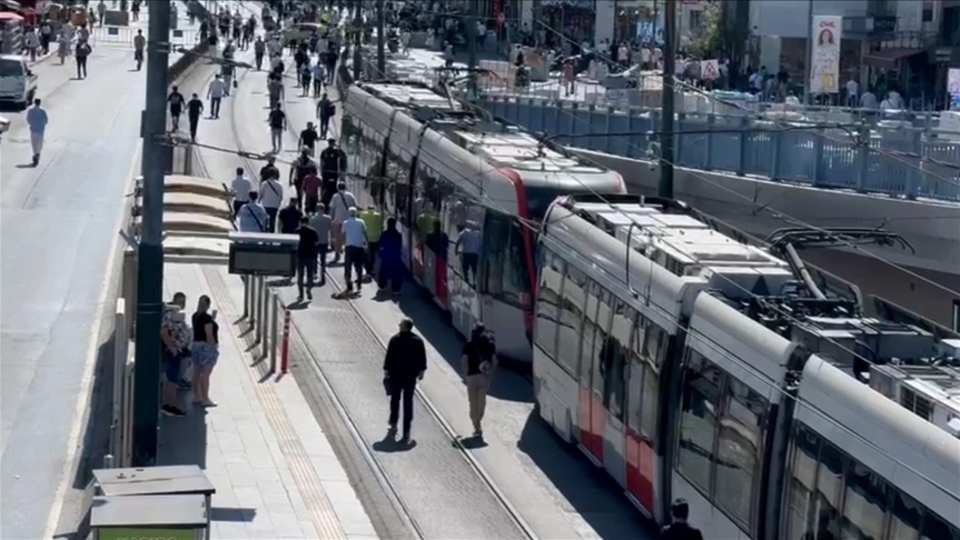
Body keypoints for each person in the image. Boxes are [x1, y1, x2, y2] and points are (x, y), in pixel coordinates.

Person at [382, 318, 427, 443]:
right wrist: (422, 371)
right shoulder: (417, 340)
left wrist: (386, 370)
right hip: (409, 376)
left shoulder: (395, 339)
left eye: (400, 325)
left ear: (406, 327)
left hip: (397, 375)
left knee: (395, 400)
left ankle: (393, 423)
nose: (398, 325)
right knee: (408, 402)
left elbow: (389, 356)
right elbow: (422, 357)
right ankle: (406, 432)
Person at [462, 323, 497, 437]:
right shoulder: (490, 344)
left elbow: (465, 359)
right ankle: (479, 420)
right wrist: (491, 373)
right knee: (481, 401)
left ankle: (476, 425)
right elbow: (495, 361)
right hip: (484, 377)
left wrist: (465, 374)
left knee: (473, 401)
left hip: (471, 376)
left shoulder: (469, 344)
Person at [160, 292, 190, 417]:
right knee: (172, 380)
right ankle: (170, 406)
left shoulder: (177, 315)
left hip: (179, 350)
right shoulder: (170, 315)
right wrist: (172, 348)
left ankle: (170, 404)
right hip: (173, 352)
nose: (183, 304)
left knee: (173, 380)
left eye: (184, 301)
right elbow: (164, 332)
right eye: (180, 301)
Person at [189, 295, 219, 407]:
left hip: (195, 345)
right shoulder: (207, 318)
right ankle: (205, 398)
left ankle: (196, 396)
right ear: (208, 305)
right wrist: (214, 349)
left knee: (196, 372)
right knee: (205, 374)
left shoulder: (195, 316)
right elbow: (209, 335)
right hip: (205, 347)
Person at [341, 207, 367, 295]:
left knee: (348, 268)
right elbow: (365, 233)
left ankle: (349, 286)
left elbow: (343, 235)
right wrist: (366, 245)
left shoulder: (345, 223)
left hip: (349, 247)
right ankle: (359, 285)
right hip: (359, 247)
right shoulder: (361, 222)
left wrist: (342, 245)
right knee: (358, 267)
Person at [329, 182, 357, 261]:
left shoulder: (335, 196)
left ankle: (337, 254)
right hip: (348, 220)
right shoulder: (351, 196)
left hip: (338, 220)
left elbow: (332, 208)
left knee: (338, 238)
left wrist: (331, 218)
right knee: (348, 238)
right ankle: (347, 256)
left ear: (338, 188)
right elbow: (354, 207)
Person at [295, 216, 319, 301]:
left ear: (300, 222)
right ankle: (308, 289)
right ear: (308, 222)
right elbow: (316, 243)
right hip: (311, 255)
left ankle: (301, 295)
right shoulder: (313, 231)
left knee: (300, 276)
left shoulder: (297, 231)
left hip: (300, 255)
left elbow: (294, 243)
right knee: (310, 275)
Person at [378, 217, 403, 294]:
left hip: (386, 256)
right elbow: (400, 245)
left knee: (383, 271)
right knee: (396, 273)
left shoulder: (384, 234)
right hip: (395, 256)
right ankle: (395, 289)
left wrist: (381, 253)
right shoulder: (398, 235)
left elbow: (380, 244)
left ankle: (382, 286)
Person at [319, 139, 346, 208]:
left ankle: (331, 199)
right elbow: (322, 161)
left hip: (334, 171)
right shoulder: (325, 152)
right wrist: (321, 170)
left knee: (333, 185)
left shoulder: (336, 151)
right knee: (324, 186)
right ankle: (322, 198)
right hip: (327, 171)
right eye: (332, 143)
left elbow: (343, 155)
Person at [310, 204, 332, 284]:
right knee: (323, 258)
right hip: (324, 240)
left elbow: (311, 229)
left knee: (314, 258)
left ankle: (314, 272)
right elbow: (329, 228)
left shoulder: (313, 219)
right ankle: (323, 272)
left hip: (315, 241)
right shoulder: (328, 218)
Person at [455, 221, 481, 285]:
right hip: (475, 254)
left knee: (465, 268)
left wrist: (456, 250)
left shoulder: (464, 232)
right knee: (474, 268)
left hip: (466, 253)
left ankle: (466, 279)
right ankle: (474, 281)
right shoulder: (478, 234)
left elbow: (458, 242)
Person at [359, 206, 382, 275]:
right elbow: (381, 225)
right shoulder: (378, 216)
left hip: (365, 238)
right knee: (373, 254)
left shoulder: (363, 214)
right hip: (375, 238)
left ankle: (366, 268)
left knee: (365, 254)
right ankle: (371, 268)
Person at [26, 99, 48, 167]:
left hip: (33, 129)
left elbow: (28, 119)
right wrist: (42, 125)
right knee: (39, 143)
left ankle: (35, 153)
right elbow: (46, 120)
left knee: (34, 143)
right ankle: (37, 153)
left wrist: (32, 124)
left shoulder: (31, 110)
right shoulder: (42, 111)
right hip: (40, 130)